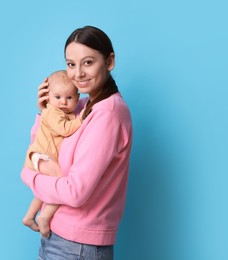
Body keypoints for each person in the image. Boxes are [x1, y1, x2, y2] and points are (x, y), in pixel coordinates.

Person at [21, 25, 133, 260]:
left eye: (88, 62)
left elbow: (75, 192)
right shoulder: (80, 107)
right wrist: (45, 114)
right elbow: (46, 149)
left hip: (77, 246)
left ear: (109, 61)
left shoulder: (107, 114)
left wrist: (31, 177)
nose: (78, 73)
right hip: (58, 236)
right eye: (71, 64)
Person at [22, 70, 82, 237]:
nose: (63, 102)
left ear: (77, 99)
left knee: (46, 189)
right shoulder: (52, 112)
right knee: (60, 180)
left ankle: (29, 216)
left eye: (69, 98)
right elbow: (64, 129)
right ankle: (45, 216)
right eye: (57, 97)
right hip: (41, 155)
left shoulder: (67, 113)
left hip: (42, 155)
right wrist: (80, 120)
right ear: (48, 97)